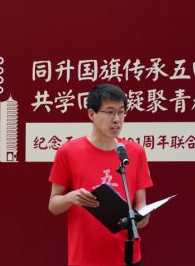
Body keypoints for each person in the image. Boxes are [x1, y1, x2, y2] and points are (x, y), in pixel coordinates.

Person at [48, 83, 153, 266]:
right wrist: (72, 198)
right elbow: (53, 205)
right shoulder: (68, 152)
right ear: (91, 114)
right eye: (110, 112)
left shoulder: (135, 152)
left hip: (128, 257)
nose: (117, 119)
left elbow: (141, 206)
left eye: (121, 111)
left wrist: (140, 218)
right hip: (85, 258)